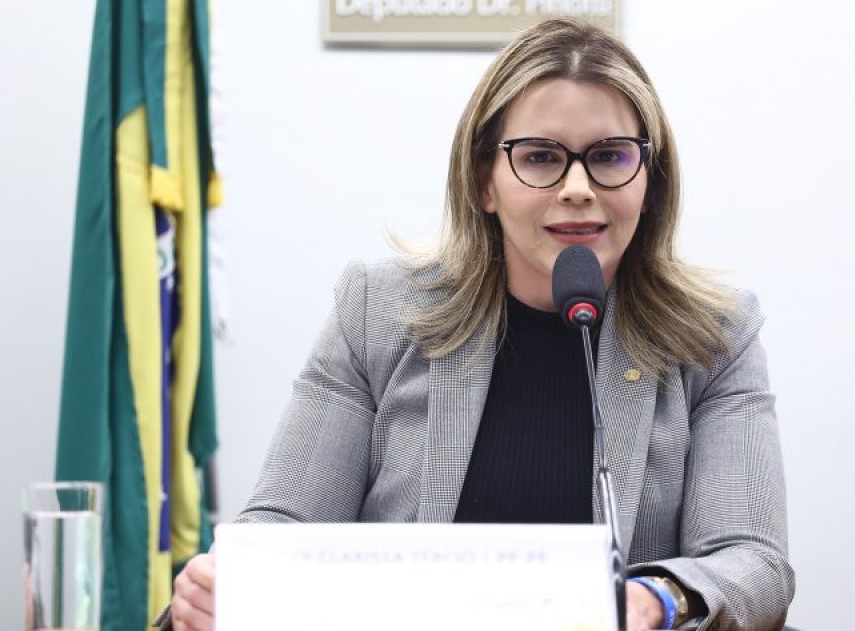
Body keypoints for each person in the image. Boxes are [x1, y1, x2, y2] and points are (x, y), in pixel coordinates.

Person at [163, 17, 795, 631]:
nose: (578, 187)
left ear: (649, 181)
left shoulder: (713, 335)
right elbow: (285, 524)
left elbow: (753, 563)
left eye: (609, 156)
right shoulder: (378, 311)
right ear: (483, 181)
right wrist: (225, 589)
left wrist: (656, 599)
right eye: (541, 157)